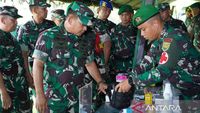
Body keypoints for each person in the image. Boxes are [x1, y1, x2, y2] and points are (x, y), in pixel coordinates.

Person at [116, 4, 200, 112]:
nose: (142, 34)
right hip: (185, 91)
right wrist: (130, 77)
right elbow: (147, 61)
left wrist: (131, 82)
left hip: (196, 91)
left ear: (155, 24)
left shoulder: (173, 38)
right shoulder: (159, 41)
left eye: (143, 29)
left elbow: (161, 72)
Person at [32, 1, 107, 113]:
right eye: (83, 24)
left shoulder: (84, 40)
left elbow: (89, 63)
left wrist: (100, 81)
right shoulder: (48, 36)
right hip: (55, 99)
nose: (85, 29)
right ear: (70, 20)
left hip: (78, 97)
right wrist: (39, 95)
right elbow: (37, 66)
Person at [0, 6, 32, 112]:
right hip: (7, 91)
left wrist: (27, 76)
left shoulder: (11, 37)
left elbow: (21, 59)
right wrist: (3, 92)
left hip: (20, 88)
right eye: (13, 20)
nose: (16, 23)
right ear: (2, 20)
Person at [17, 0, 55, 70]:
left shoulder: (52, 25)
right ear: (35, 10)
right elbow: (23, 54)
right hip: (34, 65)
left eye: (46, 9)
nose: (47, 11)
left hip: (52, 65)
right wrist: (28, 73)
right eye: (44, 9)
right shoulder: (25, 28)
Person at [110, 4, 137, 79]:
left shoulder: (137, 29)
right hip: (117, 64)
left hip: (132, 63)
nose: (124, 17)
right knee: (118, 85)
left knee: (131, 84)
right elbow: (111, 46)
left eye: (126, 15)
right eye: (122, 15)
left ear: (131, 15)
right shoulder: (114, 29)